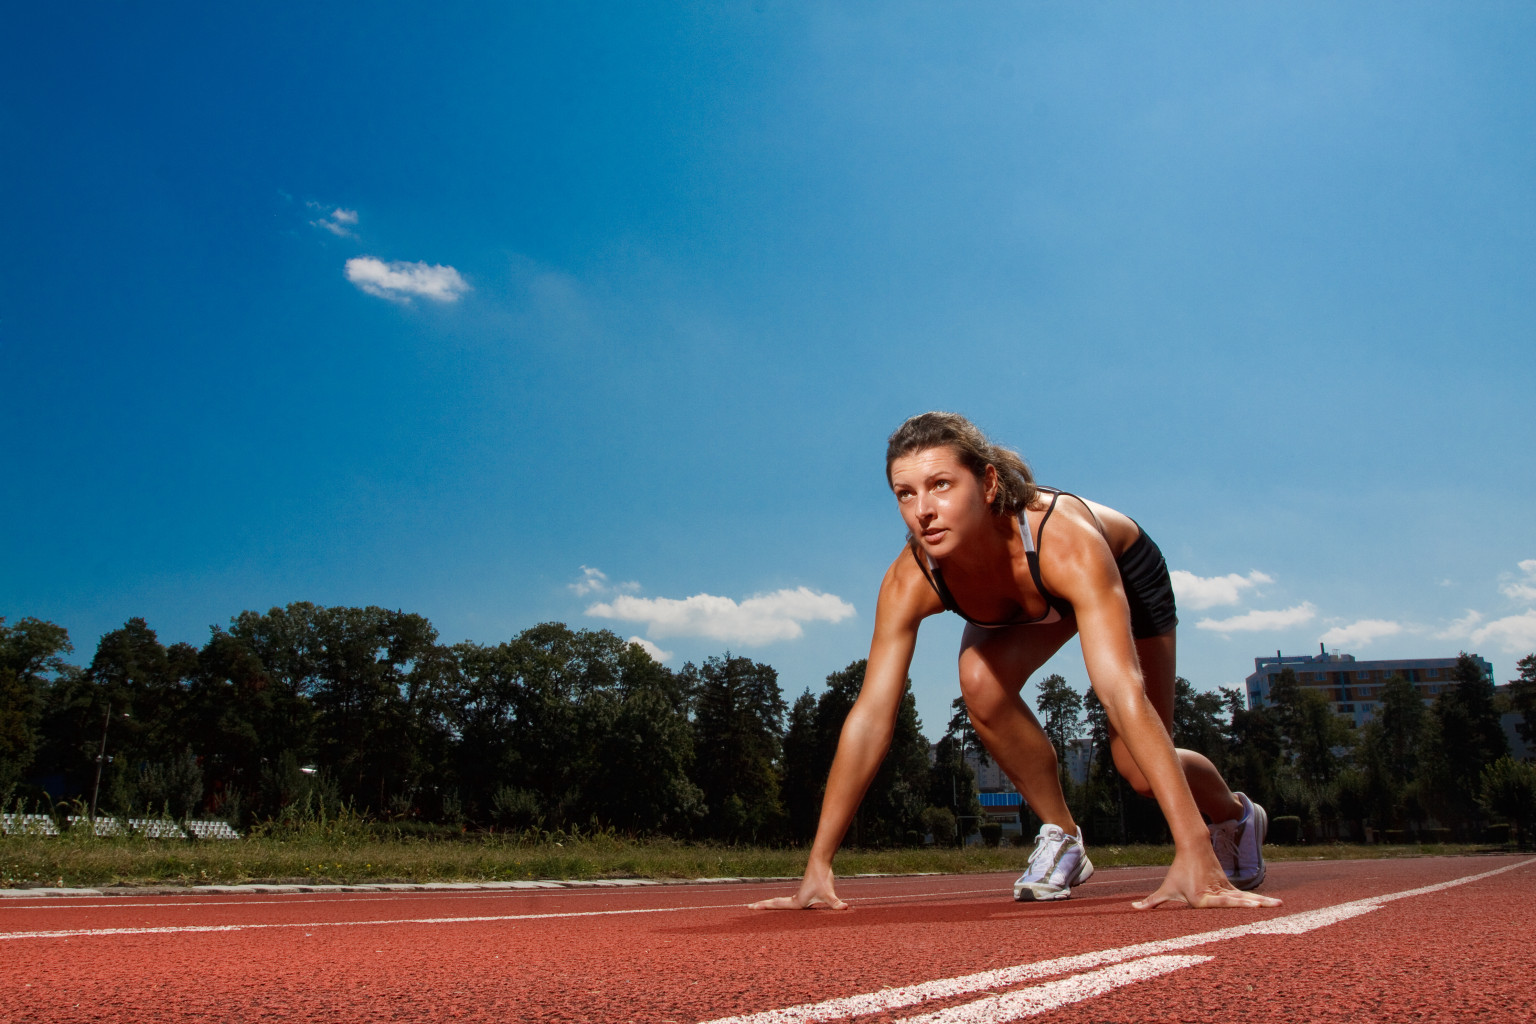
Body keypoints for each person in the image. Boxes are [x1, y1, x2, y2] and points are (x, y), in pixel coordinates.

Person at [752, 412, 1281, 912]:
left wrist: (1192, 849)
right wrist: (818, 864)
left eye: (941, 485)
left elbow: (1120, 690)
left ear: (986, 484)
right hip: (1024, 598)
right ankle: (1064, 837)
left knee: (1139, 771)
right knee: (979, 680)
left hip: (1117, 570)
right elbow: (870, 718)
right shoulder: (910, 579)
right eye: (904, 493)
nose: (923, 510)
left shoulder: (1063, 538)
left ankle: (1235, 817)